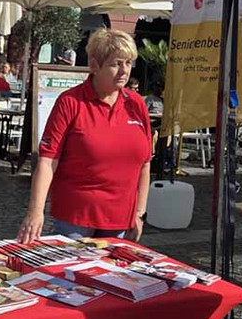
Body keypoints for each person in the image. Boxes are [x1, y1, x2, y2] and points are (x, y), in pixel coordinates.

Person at [18, 28, 152, 242]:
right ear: (94, 65)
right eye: (116, 64)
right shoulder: (70, 102)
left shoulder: (135, 104)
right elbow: (47, 160)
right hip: (76, 218)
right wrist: (36, 211)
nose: (124, 71)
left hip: (120, 219)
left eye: (128, 63)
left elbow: (145, 163)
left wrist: (140, 213)